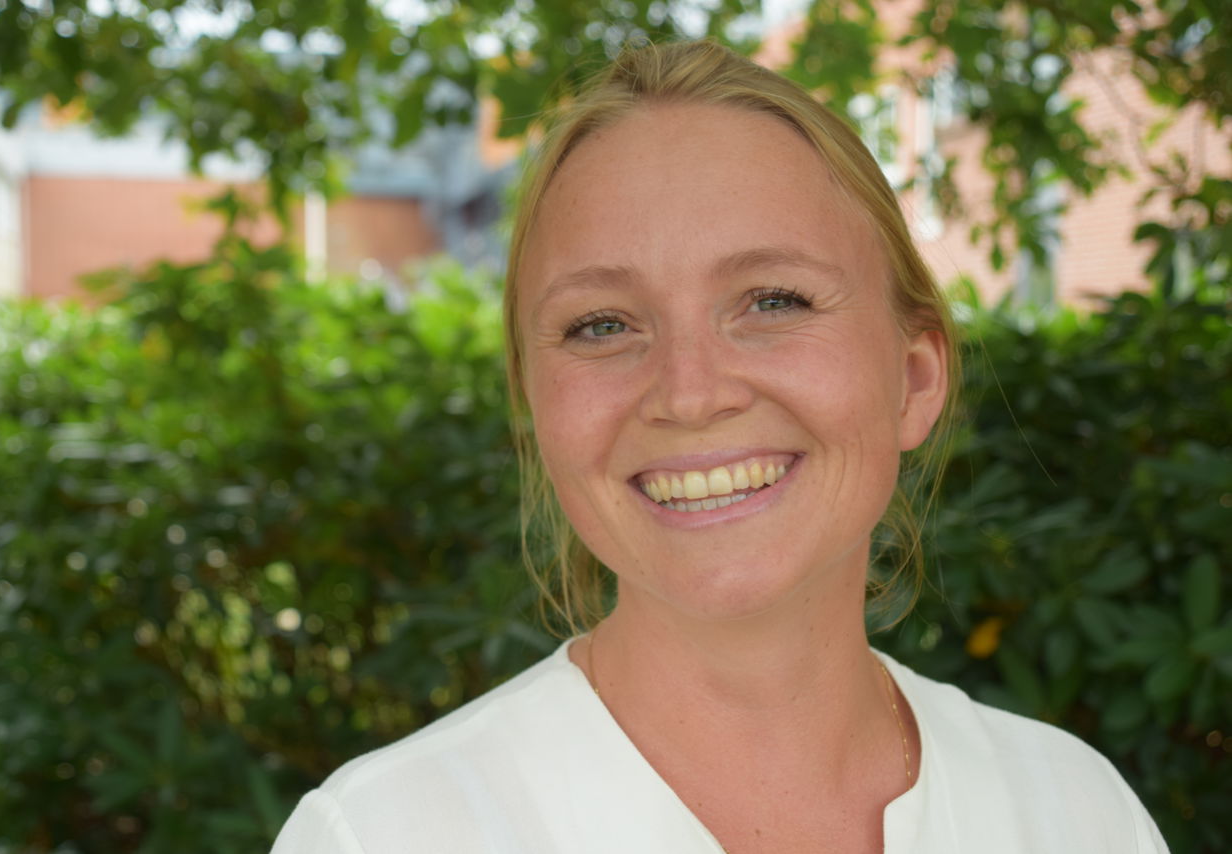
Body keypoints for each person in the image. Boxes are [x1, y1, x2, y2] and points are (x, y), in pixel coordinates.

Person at [270, 39, 1169, 854]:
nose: (691, 394)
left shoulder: (1077, 815)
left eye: (774, 301)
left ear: (915, 378)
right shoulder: (381, 836)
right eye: (602, 324)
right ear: (534, 404)